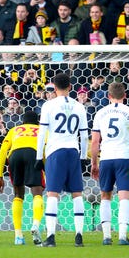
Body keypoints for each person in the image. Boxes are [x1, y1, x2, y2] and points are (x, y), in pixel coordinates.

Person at [36, 72, 89, 247]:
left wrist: (38, 156)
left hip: (55, 152)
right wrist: (83, 157)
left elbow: (42, 132)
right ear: (70, 87)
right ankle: (79, 236)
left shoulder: (48, 106)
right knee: (77, 194)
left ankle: (51, 236)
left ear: (54, 87)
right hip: (73, 151)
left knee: (53, 193)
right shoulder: (79, 106)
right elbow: (84, 134)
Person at [90, 82, 129, 246]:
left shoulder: (100, 113)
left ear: (108, 96)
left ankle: (106, 237)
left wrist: (94, 163)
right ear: (125, 95)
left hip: (106, 158)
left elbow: (94, 141)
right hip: (124, 157)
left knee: (105, 196)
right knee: (124, 197)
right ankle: (122, 236)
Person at [0, 110, 44, 246]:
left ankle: (18, 236)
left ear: (22, 121)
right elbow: (47, 148)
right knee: (37, 192)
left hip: (15, 155)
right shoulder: (42, 130)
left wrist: (0, 175)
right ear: (37, 121)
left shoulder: (14, 130)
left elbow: (2, 152)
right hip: (33, 154)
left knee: (18, 194)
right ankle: (35, 224)